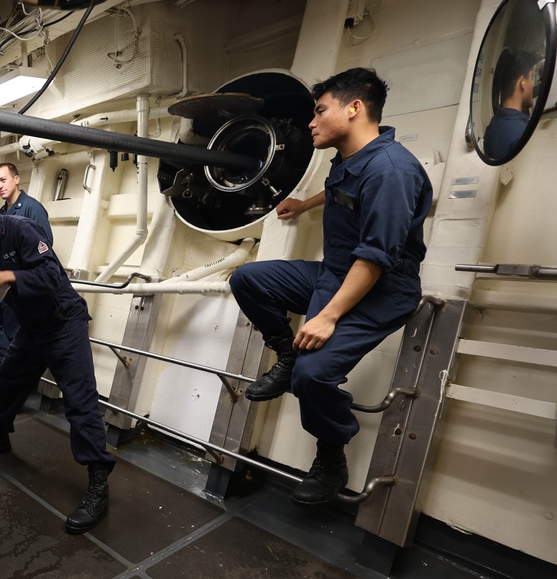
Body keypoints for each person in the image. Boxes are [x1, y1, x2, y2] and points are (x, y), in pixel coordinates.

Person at [228, 68, 433, 506]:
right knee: (248, 278)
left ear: (355, 108)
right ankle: (286, 354)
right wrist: (306, 203)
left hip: (382, 288)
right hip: (336, 272)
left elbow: (375, 259)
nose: (311, 122)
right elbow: (341, 189)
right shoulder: (351, 157)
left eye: (320, 110)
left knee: (314, 375)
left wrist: (327, 316)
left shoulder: (392, 172)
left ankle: (331, 453)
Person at [0, 177, 115, 535]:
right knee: (7, 379)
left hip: (62, 322)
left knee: (79, 401)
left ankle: (99, 483)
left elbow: (51, 275)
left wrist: (7, 275)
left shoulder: (20, 228)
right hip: (32, 327)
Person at [0, 162, 53, 412]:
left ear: (17, 179)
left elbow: (44, 247)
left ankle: (2, 391)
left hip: (17, 286)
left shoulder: (32, 209)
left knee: (11, 336)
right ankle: (13, 383)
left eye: (3, 180)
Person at [483, 49, 537, 160]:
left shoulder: (493, 125)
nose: (533, 84)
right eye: (531, 78)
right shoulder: (523, 132)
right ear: (522, 82)